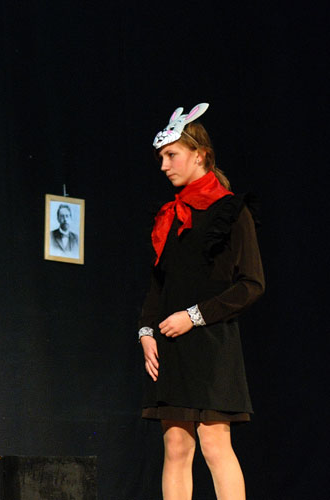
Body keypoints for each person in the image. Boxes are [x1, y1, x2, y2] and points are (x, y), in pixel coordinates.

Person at [138, 103, 264, 499]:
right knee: (176, 446)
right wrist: (146, 331)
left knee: (214, 443)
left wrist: (193, 317)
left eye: (171, 155)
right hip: (171, 342)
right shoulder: (171, 214)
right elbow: (159, 283)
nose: (164, 166)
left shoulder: (231, 210)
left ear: (200, 155)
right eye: (161, 158)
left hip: (211, 341)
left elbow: (251, 284)